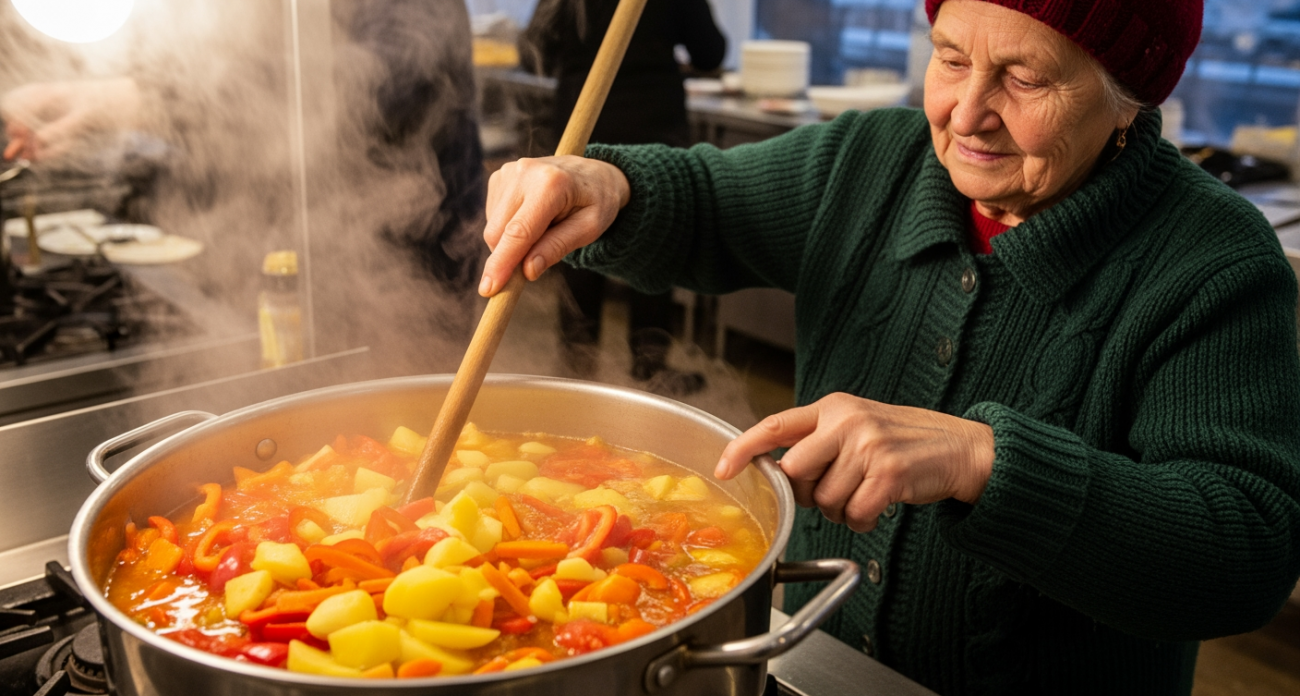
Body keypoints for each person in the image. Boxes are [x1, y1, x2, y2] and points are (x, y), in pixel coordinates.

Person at [478, 0, 1300, 693]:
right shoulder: (872, 160)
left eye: (1024, 77)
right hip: (805, 666)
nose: (965, 112)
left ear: (1129, 95)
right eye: (949, 59)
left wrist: (985, 460)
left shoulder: (1210, 260)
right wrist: (607, 185)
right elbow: (699, 200)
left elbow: (1246, 552)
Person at [519, 0, 726, 393]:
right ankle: (650, 368)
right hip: (651, 124)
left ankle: (575, 370)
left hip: (582, 125)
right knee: (654, 245)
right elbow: (710, 52)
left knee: (574, 247)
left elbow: (534, 52)